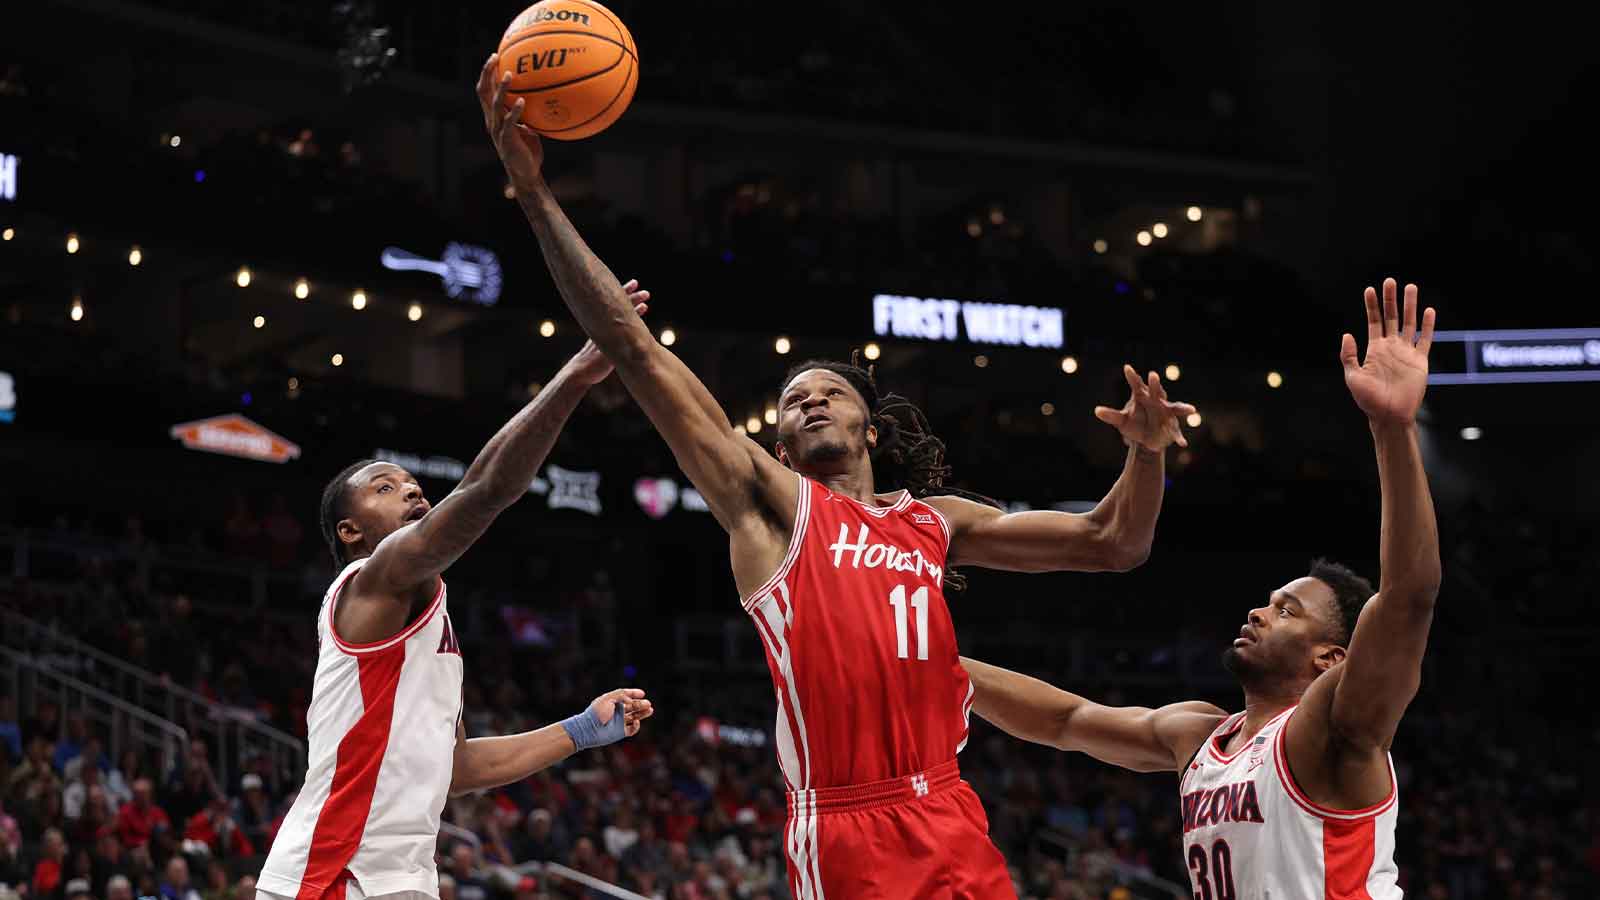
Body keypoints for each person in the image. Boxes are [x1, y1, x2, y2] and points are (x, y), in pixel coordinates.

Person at [478, 57, 1192, 899]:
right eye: (793, 401)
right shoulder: (773, 510)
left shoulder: (936, 521)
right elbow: (635, 350)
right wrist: (535, 193)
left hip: (951, 813)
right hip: (850, 826)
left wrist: (1147, 454)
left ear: (870, 428)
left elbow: (1114, 544)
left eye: (831, 393)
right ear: (779, 446)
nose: (811, 402)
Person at [963, 280, 1440, 899]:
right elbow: (1066, 720)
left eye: (1287, 611)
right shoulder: (1199, 734)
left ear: (1331, 658)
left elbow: (1408, 596)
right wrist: (936, 662)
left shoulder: (1332, 729)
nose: (1259, 612)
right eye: (1269, 602)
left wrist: (1392, 428)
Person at [256, 334, 654, 900]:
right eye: (385, 487)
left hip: (401, 877)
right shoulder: (372, 579)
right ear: (350, 531)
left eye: (413, 485)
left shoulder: (427, 623)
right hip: (333, 873)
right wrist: (573, 380)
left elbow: (458, 768)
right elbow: (488, 488)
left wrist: (581, 729)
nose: (410, 491)